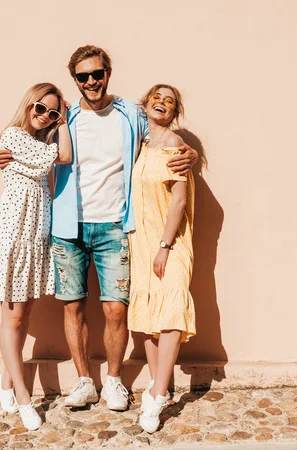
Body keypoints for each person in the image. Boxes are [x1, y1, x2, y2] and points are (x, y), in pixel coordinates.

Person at [0, 45, 197, 412]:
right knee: (73, 308)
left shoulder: (129, 114)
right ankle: (85, 381)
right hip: (68, 227)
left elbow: (161, 136)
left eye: (97, 73)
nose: (91, 81)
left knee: (116, 310)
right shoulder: (63, 118)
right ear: (75, 80)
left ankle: (114, 382)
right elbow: (26, 135)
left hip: (116, 225)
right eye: (83, 76)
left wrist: (189, 153)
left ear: (108, 73)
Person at [0, 83, 72, 430]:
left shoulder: (41, 142)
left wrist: (59, 123)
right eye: (40, 108)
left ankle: (4, 380)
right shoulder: (12, 136)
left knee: (25, 315)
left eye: (51, 112)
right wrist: (62, 126)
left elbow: (57, 157)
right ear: (28, 104)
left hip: (36, 234)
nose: (44, 116)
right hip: (14, 235)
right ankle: (22, 397)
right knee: (13, 320)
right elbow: (64, 157)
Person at [128, 84, 196, 433]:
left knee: (170, 312)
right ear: (146, 104)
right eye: (157, 97)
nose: (162, 103)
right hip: (140, 241)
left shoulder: (175, 146)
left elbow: (179, 201)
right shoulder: (140, 146)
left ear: (175, 111)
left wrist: (165, 246)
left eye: (169, 101)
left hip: (170, 241)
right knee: (149, 316)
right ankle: (160, 384)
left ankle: (154, 397)